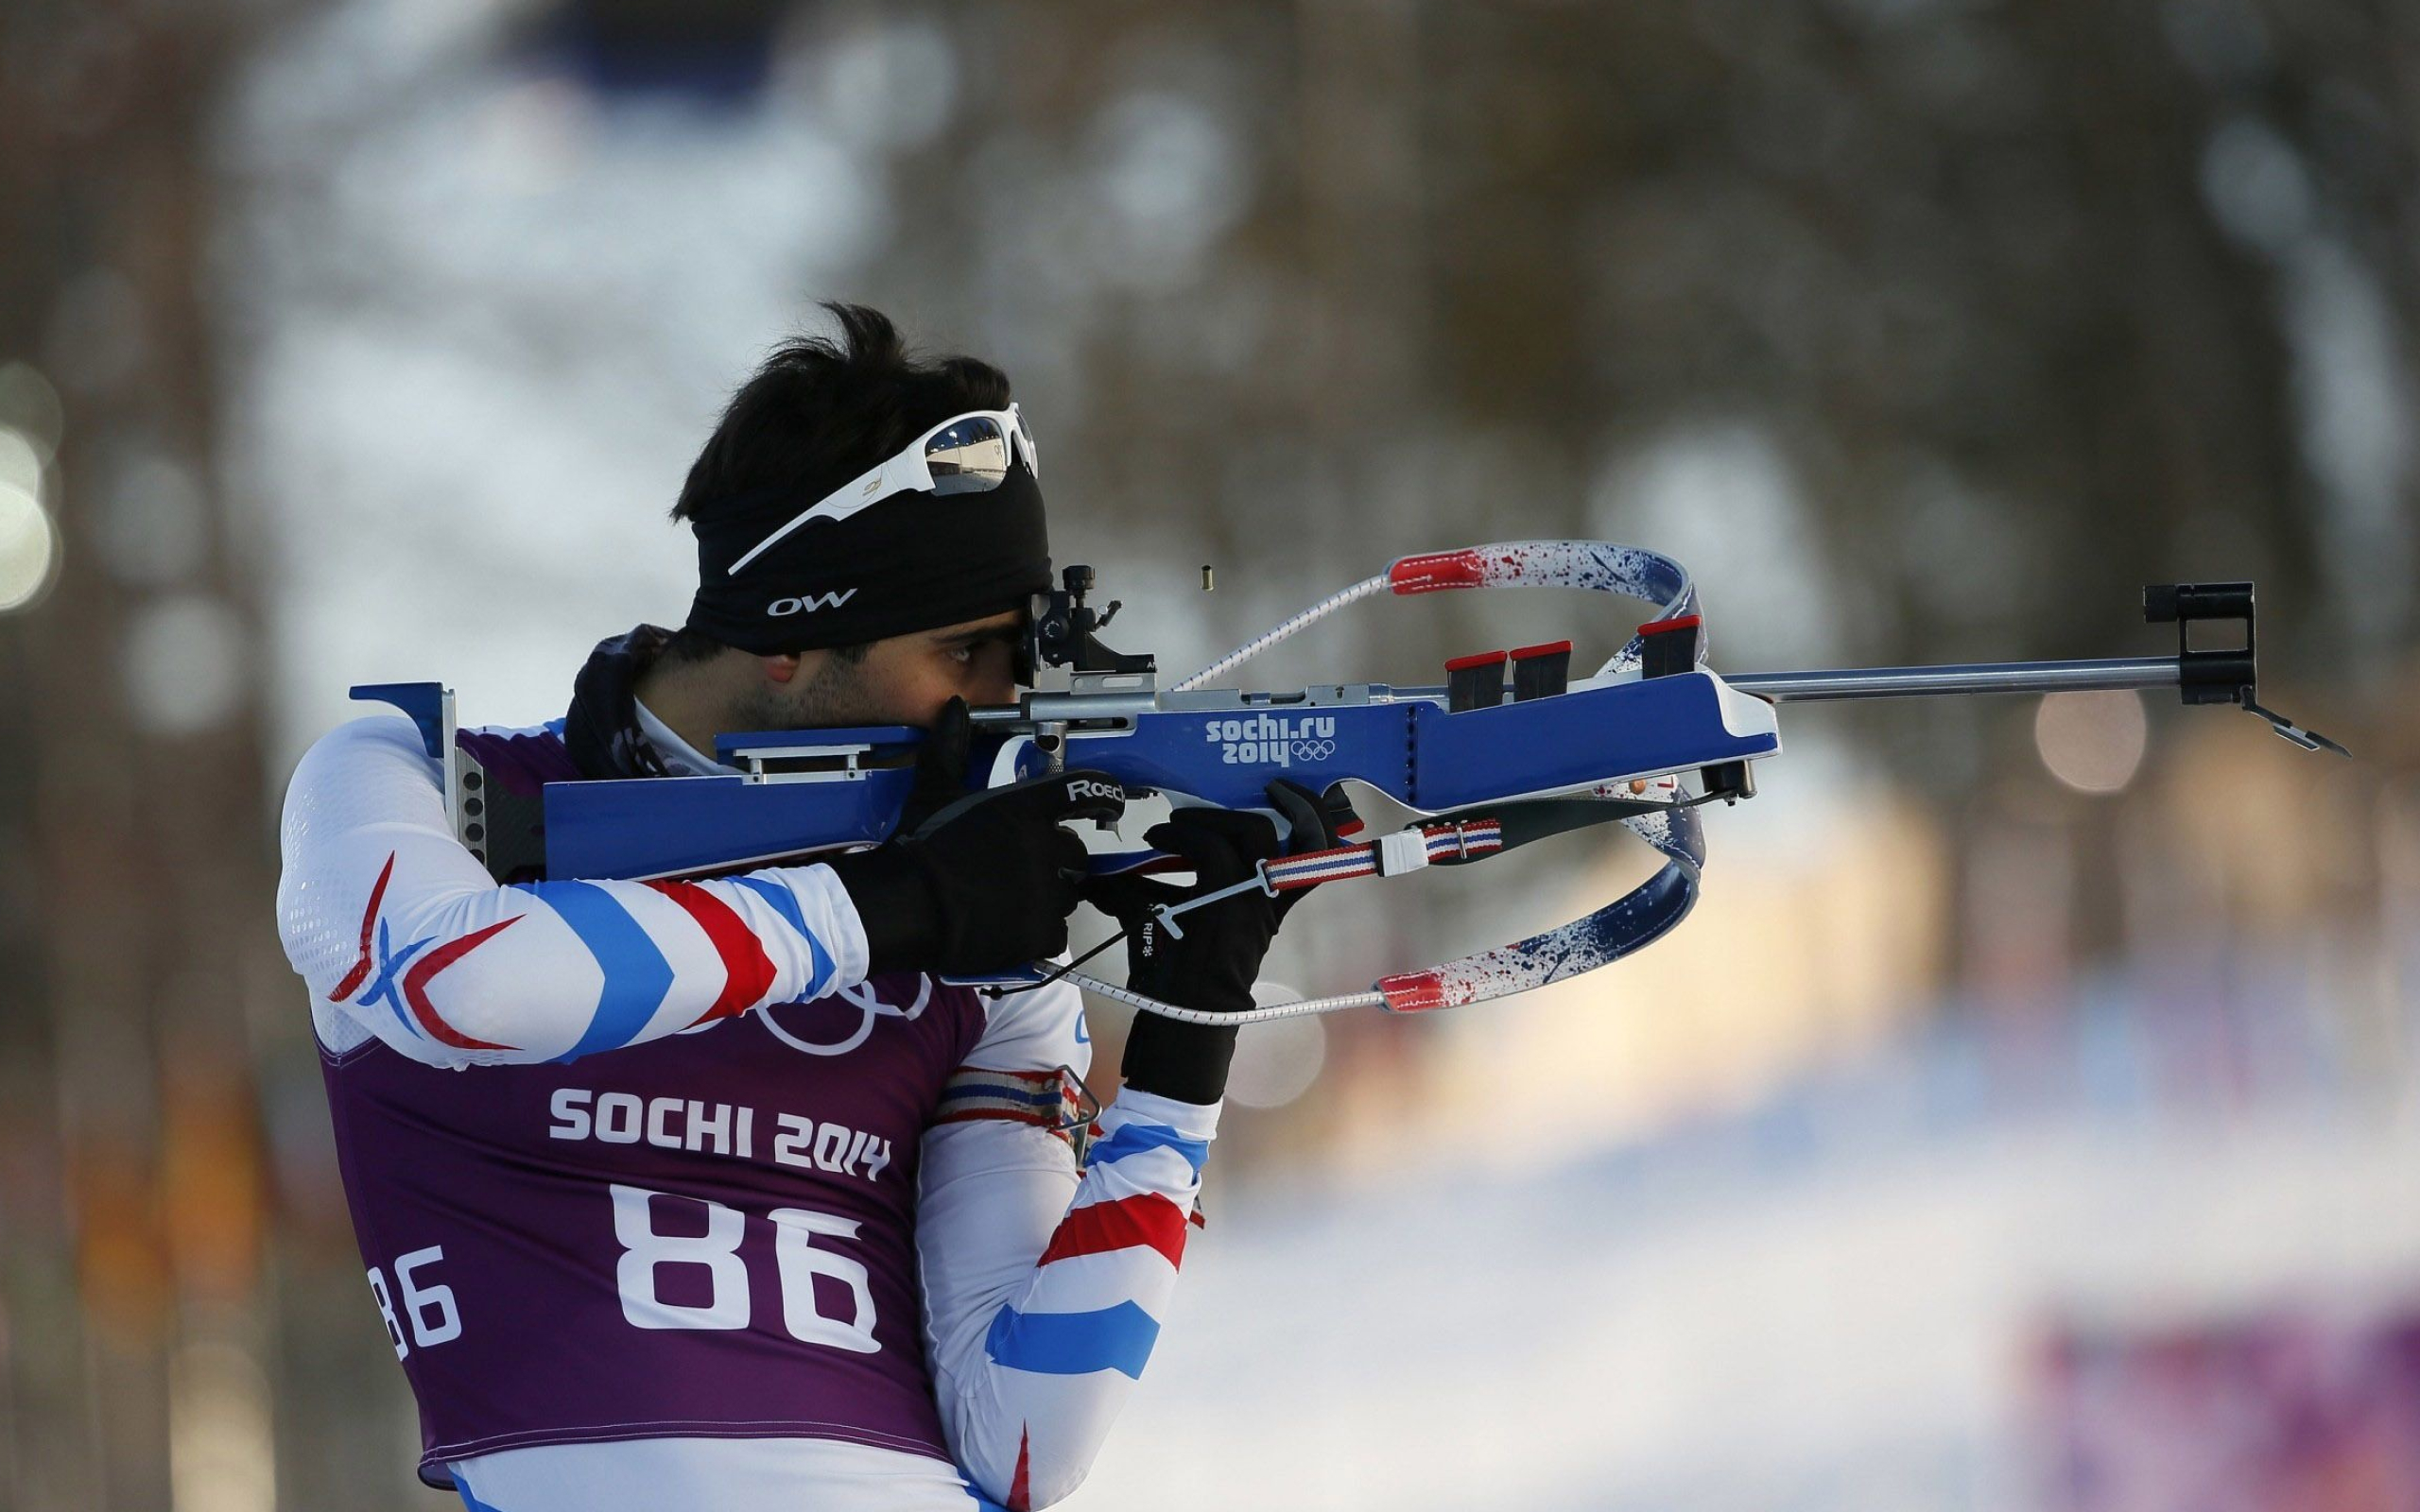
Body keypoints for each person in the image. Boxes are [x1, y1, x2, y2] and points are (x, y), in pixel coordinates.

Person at [273, 304, 1331, 1511]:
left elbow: (1024, 1441)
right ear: (792, 635)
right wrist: (895, 905)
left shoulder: (978, 937)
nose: (997, 701)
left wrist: (1181, 1066)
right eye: (964, 650)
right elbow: (458, 985)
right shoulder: (419, 778)